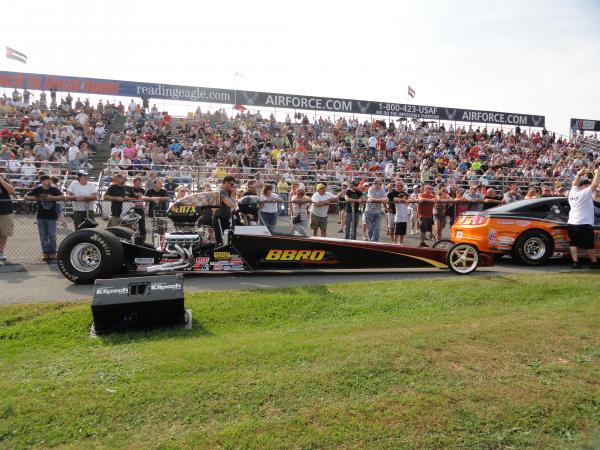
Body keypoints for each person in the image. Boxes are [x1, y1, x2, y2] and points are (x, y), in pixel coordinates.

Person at [24, 175, 65, 262]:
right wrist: (37, 197)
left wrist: (51, 198)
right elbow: (25, 197)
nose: (49, 181)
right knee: (43, 236)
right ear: (42, 181)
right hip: (41, 217)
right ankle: (46, 253)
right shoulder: (38, 190)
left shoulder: (54, 189)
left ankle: (53, 252)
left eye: (50, 180)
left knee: (52, 236)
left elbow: (63, 197)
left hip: (52, 216)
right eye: (47, 180)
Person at [567, 169, 600, 269]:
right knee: (589, 244)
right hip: (583, 223)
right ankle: (593, 263)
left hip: (572, 223)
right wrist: (597, 173)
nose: (589, 186)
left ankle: (575, 262)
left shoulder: (572, 193)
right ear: (583, 187)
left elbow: (574, 183)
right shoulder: (584, 193)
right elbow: (595, 185)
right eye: (587, 185)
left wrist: (579, 174)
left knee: (574, 243)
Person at [213, 175, 237, 244]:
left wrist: (233, 194)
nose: (232, 186)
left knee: (227, 239)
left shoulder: (225, 191)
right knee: (222, 240)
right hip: (220, 218)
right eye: (231, 184)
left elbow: (232, 206)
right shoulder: (221, 191)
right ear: (226, 182)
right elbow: (231, 204)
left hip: (224, 219)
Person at [0, 175, 15, 263]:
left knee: (4, 234)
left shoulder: (3, 181)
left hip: (6, 212)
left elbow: (12, 191)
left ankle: (1, 252)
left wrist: (1, 180)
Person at [131, 177, 148, 242]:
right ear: (134, 183)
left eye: (140, 182)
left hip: (140, 208)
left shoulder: (142, 190)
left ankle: (142, 239)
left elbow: (146, 198)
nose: (140, 184)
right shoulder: (131, 189)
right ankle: (132, 238)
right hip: (132, 209)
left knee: (142, 224)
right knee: (132, 224)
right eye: (138, 182)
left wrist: (145, 206)